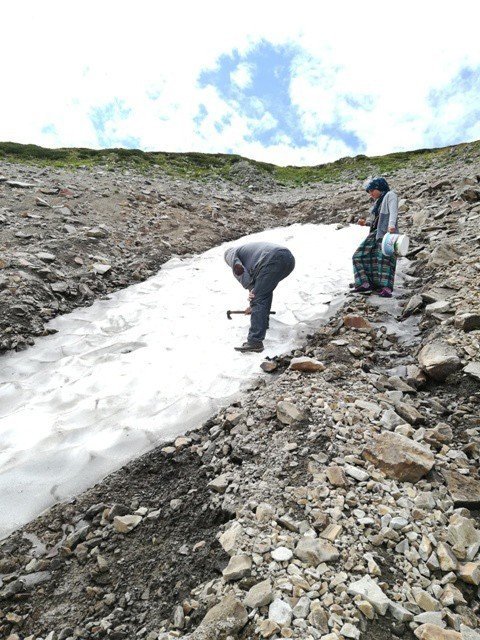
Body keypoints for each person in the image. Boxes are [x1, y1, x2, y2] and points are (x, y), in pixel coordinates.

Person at [224, 242, 295, 352]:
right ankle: (263, 325)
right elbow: (260, 286)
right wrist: (253, 302)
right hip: (288, 259)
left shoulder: (230, 253)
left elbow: (238, 269)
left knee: (259, 297)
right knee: (263, 292)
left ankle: (255, 342)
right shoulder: (249, 255)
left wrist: (252, 292)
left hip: (272, 258)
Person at [352, 176, 399, 298]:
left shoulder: (390, 195)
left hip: (387, 234)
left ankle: (386, 288)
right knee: (360, 256)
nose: (370, 193)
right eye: (369, 191)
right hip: (376, 233)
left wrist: (391, 226)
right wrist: (365, 223)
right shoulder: (378, 202)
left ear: (379, 187)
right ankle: (366, 283)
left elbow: (393, 212)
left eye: (372, 190)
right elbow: (377, 222)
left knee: (385, 260)